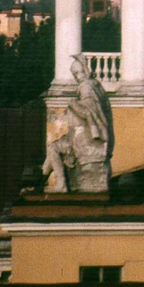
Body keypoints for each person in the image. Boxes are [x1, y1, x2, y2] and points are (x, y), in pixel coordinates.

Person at [43, 56, 114, 192]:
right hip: (86, 136)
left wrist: (72, 104)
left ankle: (60, 184)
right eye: (74, 74)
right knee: (54, 147)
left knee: (53, 148)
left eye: (78, 72)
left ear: (85, 70)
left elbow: (88, 111)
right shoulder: (96, 85)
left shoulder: (86, 87)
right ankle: (40, 179)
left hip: (86, 139)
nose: (77, 77)